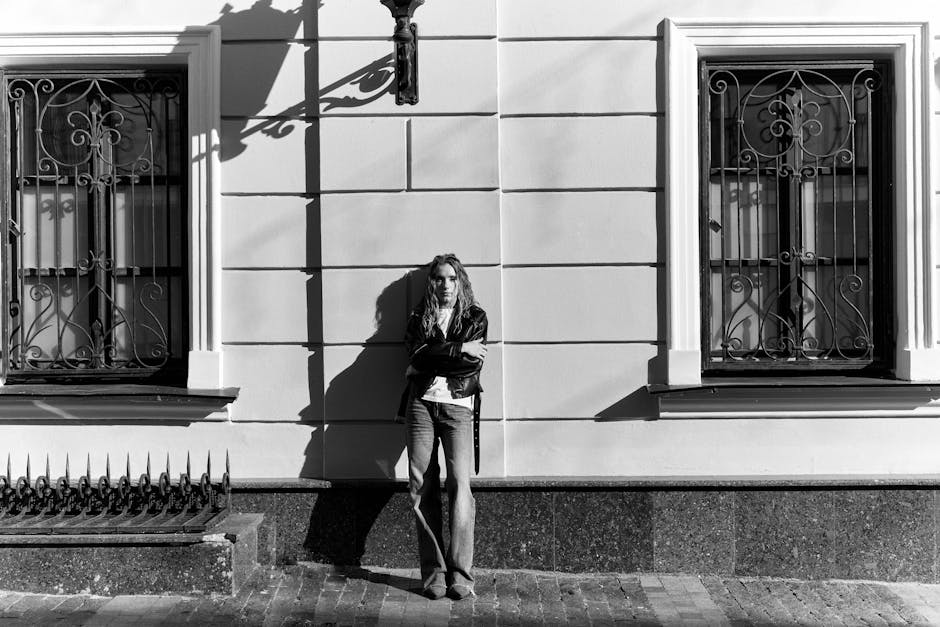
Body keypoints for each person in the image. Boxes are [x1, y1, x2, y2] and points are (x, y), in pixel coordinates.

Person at [402, 253, 487, 600]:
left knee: (459, 486)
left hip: (457, 409)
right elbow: (416, 356)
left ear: (460, 281)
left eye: (452, 278)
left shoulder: (474, 317)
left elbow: (470, 365)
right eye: (439, 278)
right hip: (421, 406)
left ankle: (461, 575)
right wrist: (457, 348)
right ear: (431, 282)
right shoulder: (418, 317)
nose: (445, 285)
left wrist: (437, 356)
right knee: (421, 487)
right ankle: (434, 574)